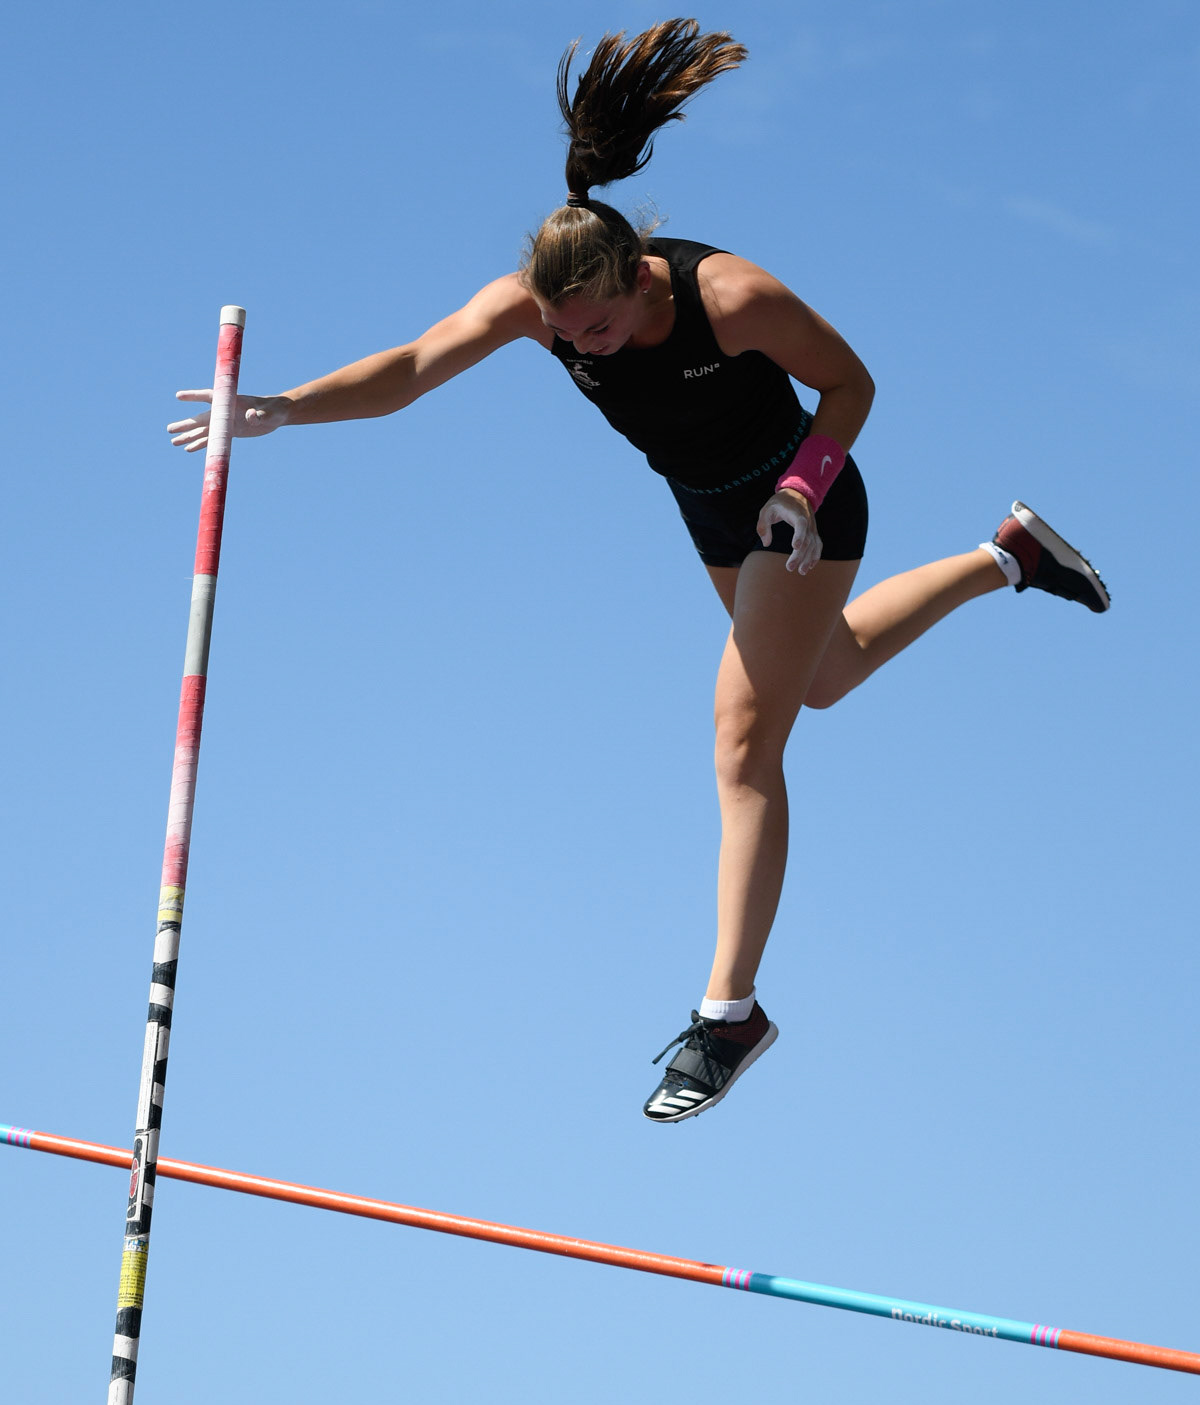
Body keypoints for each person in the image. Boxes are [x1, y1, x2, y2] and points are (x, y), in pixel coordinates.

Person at [169, 20, 1108, 1124]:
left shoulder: (733, 297)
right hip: (713, 510)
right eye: (569, 339)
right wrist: (283, 405)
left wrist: (801, 489)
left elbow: (852, 386)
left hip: (798, 496)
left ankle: (730, 1014)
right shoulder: (537, 305)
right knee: (824, 671)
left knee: (743, 745)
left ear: (639, 279)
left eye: (602, 328)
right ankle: (1011, 554)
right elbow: (414, 368)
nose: (587, 348)